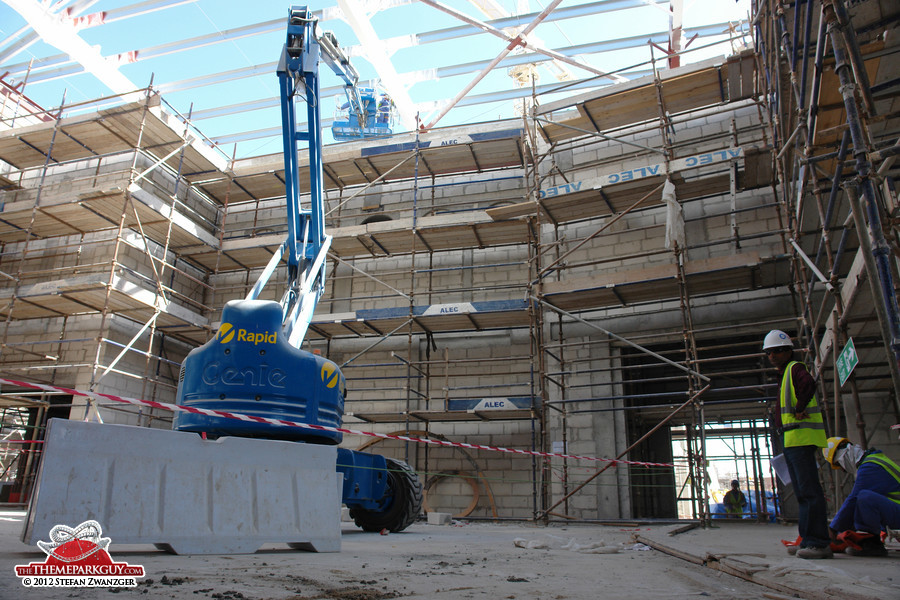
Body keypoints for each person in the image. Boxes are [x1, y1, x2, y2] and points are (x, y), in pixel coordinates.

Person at [764, 330, 832, 559]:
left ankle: (818, 543)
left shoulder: (795, 368)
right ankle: (807, 540)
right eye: (769, 352)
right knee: (803, 493)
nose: (772, 356)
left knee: (810, 492)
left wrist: (801, 405)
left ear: (788, 351)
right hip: (792, 439)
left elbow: (808, 385)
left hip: (801, 438)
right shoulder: (784, 375)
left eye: (776, 351)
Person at [822, 436, 900, 556]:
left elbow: (853, 499)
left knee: (864, 497)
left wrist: (833, 529)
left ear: (843, 457)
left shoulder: (870, 466)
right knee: (862, 501)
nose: (843, 470)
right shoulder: (873, 460)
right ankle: (866, 540)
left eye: (839, 465)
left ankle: (872, 543)